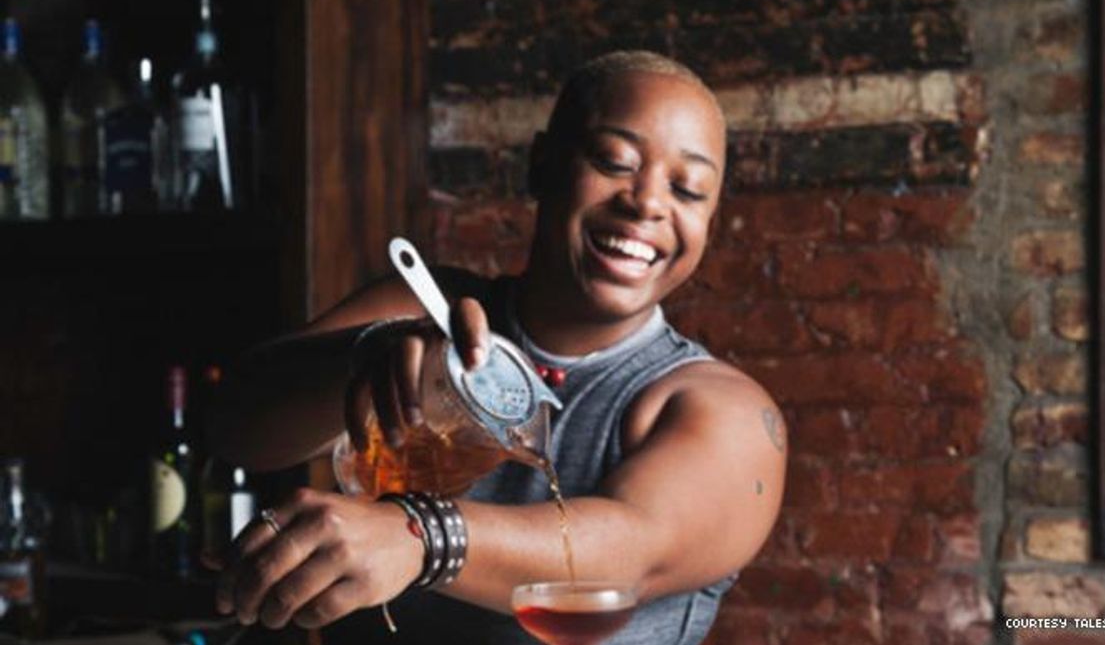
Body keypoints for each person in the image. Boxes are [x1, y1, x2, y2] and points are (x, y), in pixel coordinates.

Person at [209, 50, 787, 644]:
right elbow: (235, 426)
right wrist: (362, 359)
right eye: (615, 162)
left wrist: (418, 536)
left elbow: (626, 552)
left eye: (688, 190)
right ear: (542, 164)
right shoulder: (424, 306)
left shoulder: (722, 410)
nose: (646, 203)